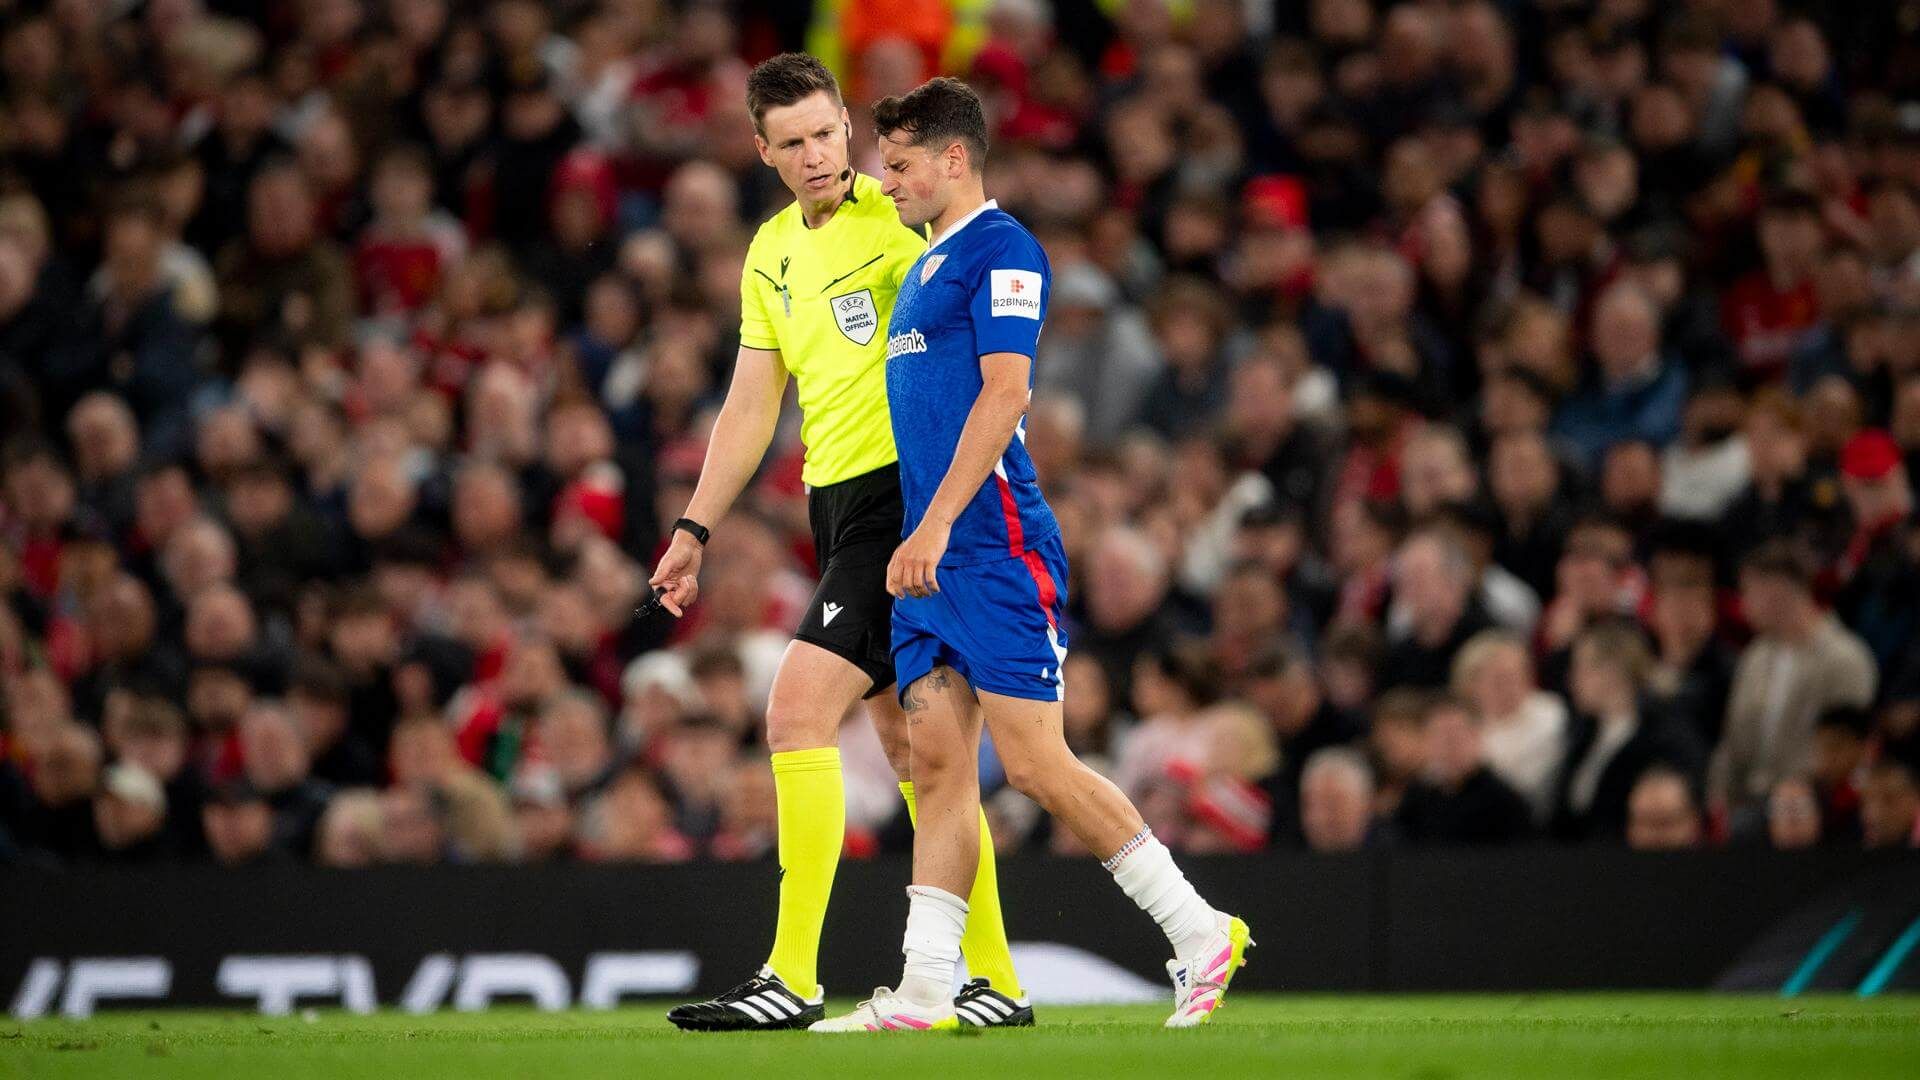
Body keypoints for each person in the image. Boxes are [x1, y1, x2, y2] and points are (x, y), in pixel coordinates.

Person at [812, 77, 1247, 1034]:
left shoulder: (1006, 251)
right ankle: (927, 985)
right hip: (929, 563)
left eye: (903, 164)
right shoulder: (924, 267)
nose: (888, 183)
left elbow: (1007, 395)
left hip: (995, 547)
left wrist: (932, 527)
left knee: (1039, 766)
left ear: (956, 158)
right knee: (934, 767)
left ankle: (1199, 929)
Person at [648, 54, 1026, 1032]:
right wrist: (694, 526)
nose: (817, 155)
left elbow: (985, 322)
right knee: (915, 748)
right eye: (794, 142)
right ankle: (994, 979)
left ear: (848, 128)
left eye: (828, 133)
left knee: (795, 709)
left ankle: (792, 975)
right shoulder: (770, 252)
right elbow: (749, 405)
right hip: (835, 509)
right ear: (762, 151)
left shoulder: (903, 223)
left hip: (903, 497)